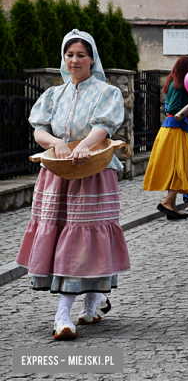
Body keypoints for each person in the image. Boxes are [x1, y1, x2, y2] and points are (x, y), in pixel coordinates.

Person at [16, 30, 130, 340]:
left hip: (92, 173)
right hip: (57, 174)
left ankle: (64, 313)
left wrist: (86, 145)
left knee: (87, 236)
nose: (75, 60)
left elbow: (104, 127)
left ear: (92, 59)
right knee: (64, 235)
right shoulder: (54, 95)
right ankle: (90, 301)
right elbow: (39, 129)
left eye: (81, 54)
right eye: (70, 55)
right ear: (64, 59)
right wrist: (58, 143)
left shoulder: (107, 92)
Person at [143, 56, 188, 218]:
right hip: (175, 129)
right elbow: (174, 108)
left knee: (175, 167)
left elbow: (169, 107)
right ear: (185, 68)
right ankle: (167, 203)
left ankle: (172, 209)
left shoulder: (174, 81)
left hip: (170, 128)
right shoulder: (180, 84)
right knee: (179, 167)